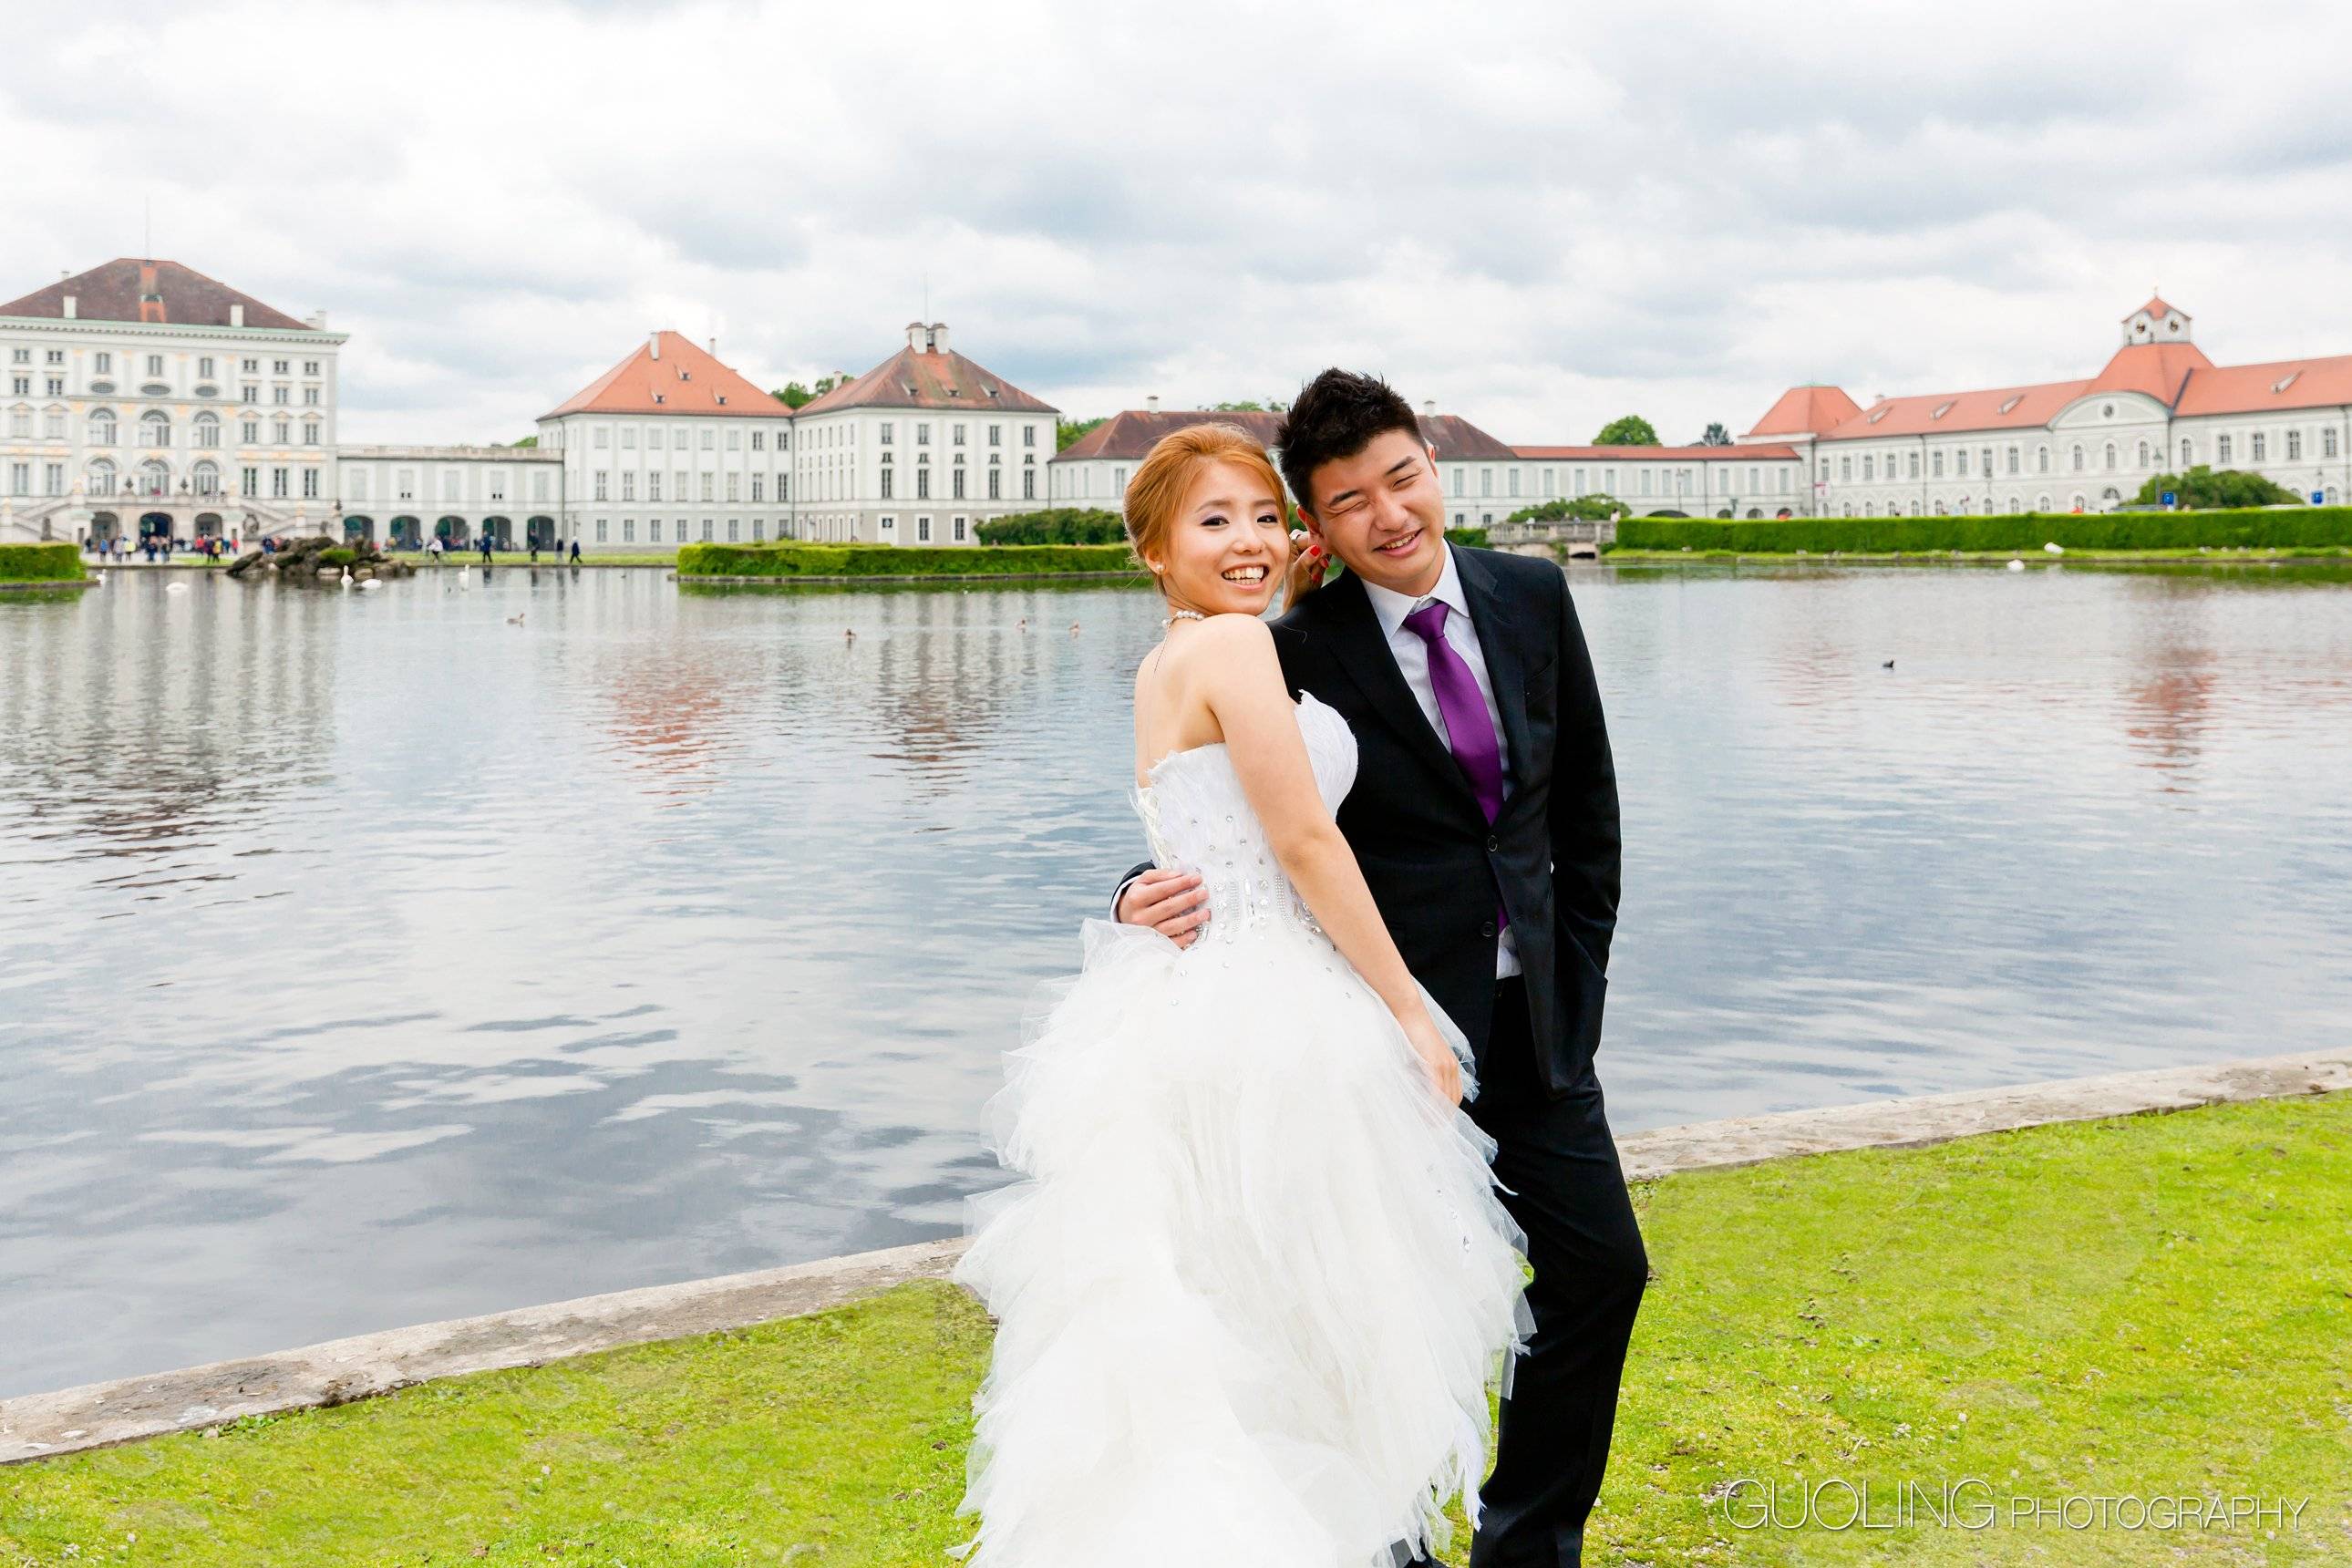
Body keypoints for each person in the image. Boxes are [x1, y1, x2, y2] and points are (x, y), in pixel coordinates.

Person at [954, 422, 1532, 1566]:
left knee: (1230, 1328)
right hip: (1272, 1015)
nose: (1253, 540)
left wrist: (1275, 584)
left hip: (1194, 1007)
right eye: (1215, 521)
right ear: (1154, 551)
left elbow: (1196, 826)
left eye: (1268, 516)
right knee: (1317, 1316)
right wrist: (1411, 1008)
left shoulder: (1173, 657)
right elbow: (1307, 840)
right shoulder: (1234, 655)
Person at [1114, 371, 1645, 1567]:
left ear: (1430, 469)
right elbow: (1240, 814)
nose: (1390, 515)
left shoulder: (1532, 595)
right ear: (1323, 526)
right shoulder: (1289, 643)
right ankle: (1387, 1547)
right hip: (1382, 1032)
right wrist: (1132, 892)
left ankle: (1527, 1543)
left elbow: (1588, 815)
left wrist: (1582, 990)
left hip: (1539, 1020)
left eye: (1402, 478)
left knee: (1602, 1274)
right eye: (1350, 501)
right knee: (1376, 1308)